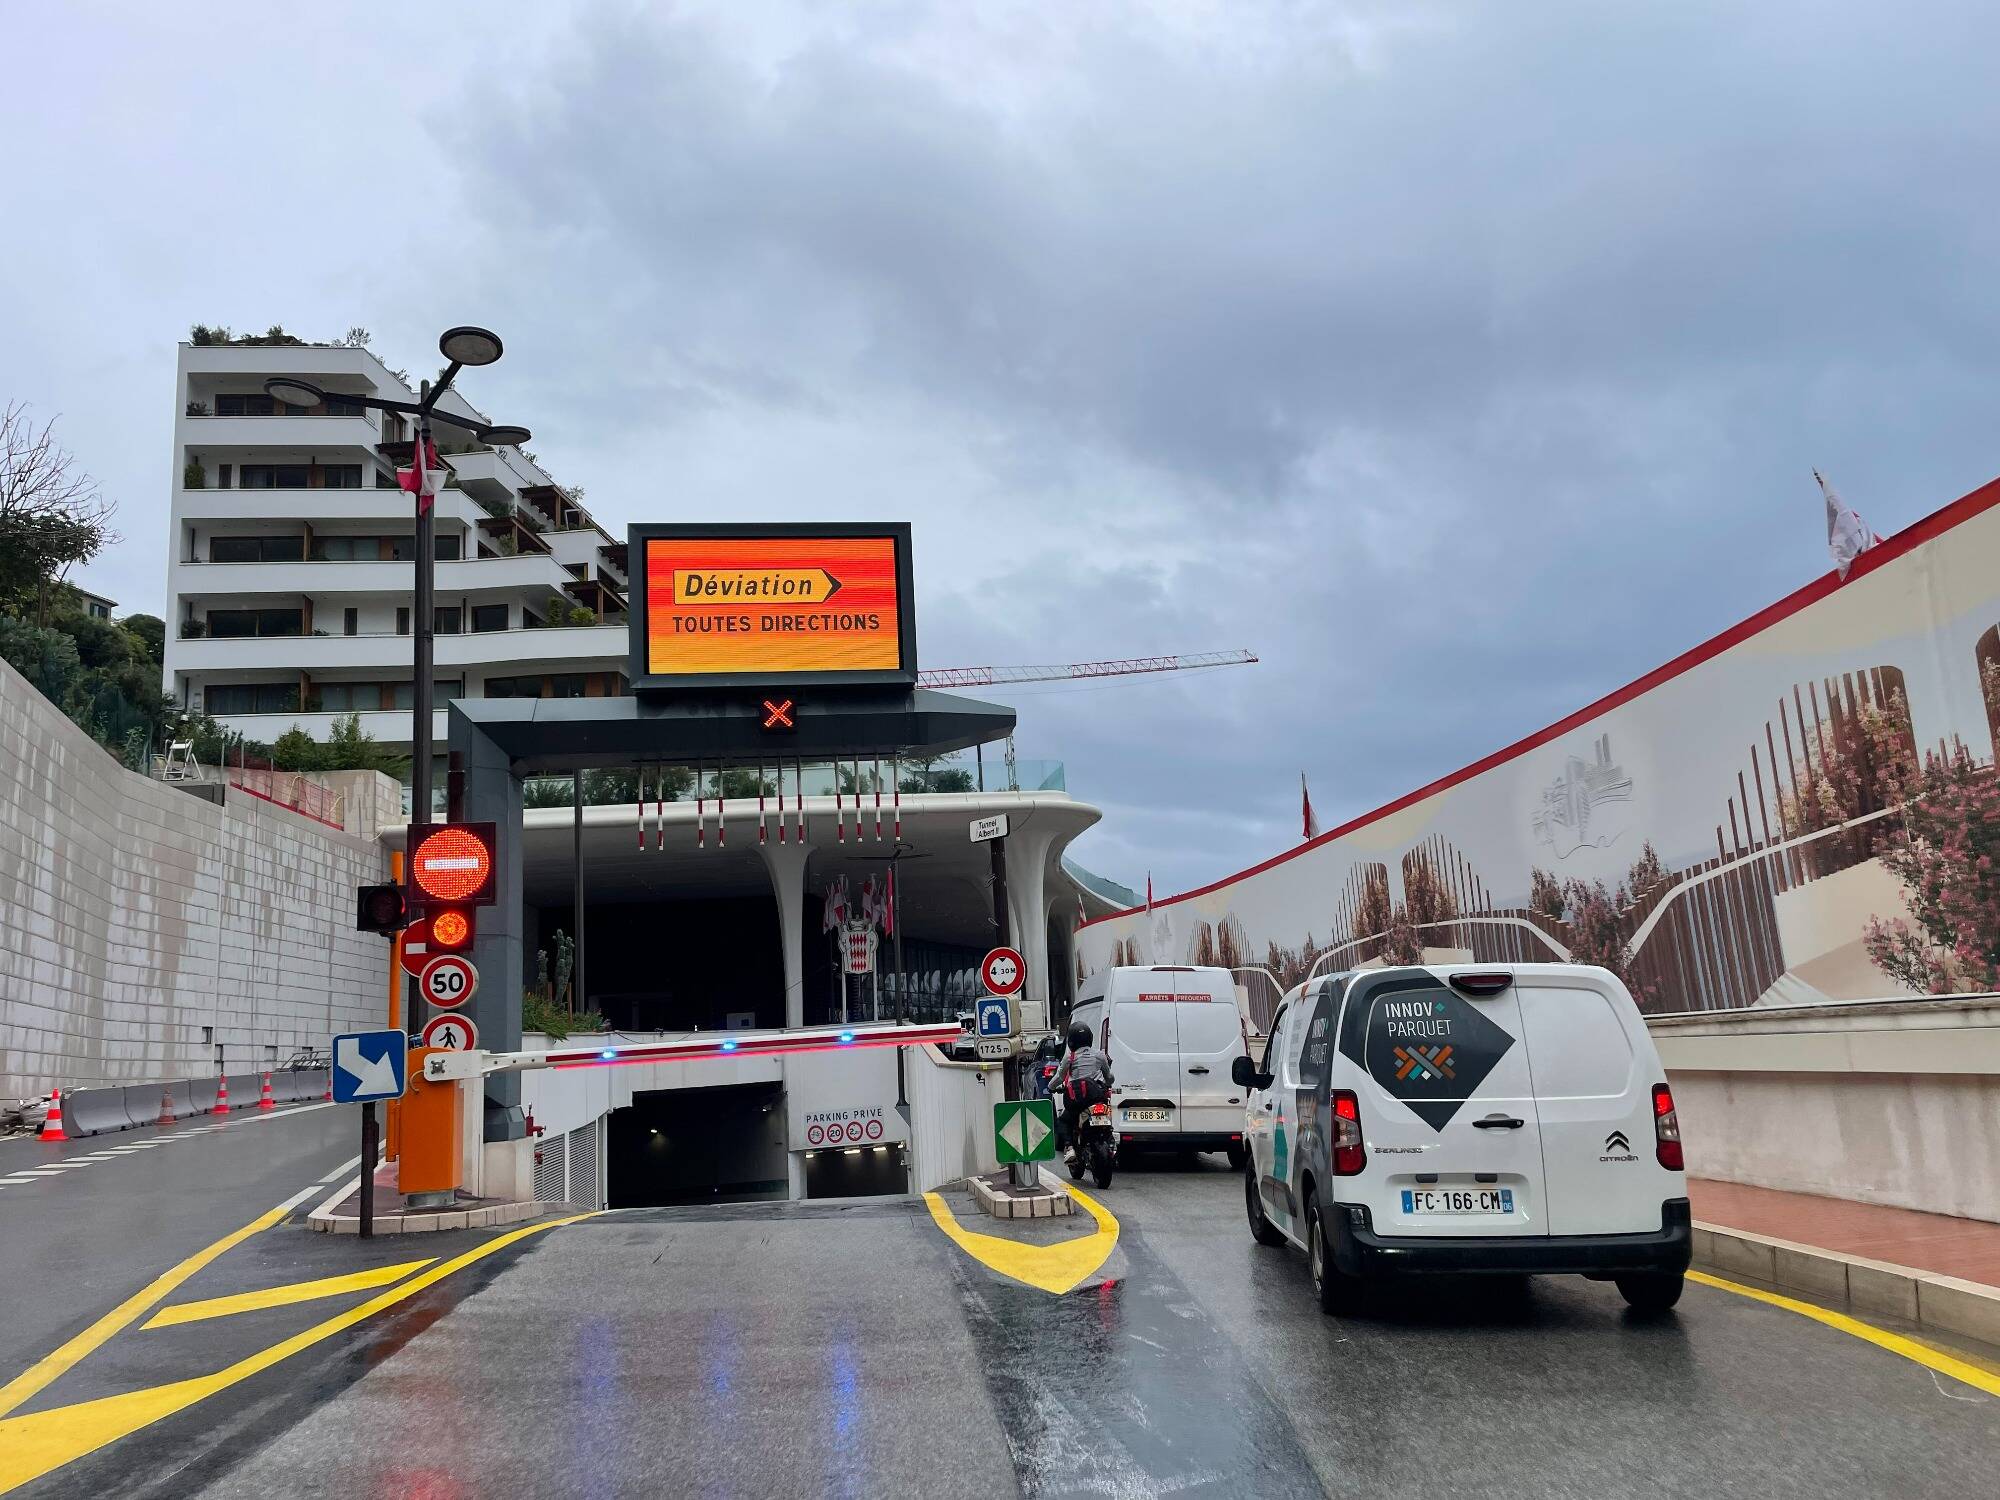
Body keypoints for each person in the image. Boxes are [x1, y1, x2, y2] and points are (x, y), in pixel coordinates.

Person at [1052, 1021, 1113, 1150]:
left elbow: (1060, 1077)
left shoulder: (1070, 1057)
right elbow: (1109, 1077)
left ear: (1071, 1040)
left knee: (1063, 1121)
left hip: (1078, 1100)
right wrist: (1107, 1084)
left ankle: (1069, 1148)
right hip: (1097, 1097)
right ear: (1090, 1038)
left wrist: (1050, 1086)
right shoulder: (1099, 1055)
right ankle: (1110, 1139)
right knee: (1107, 1112)